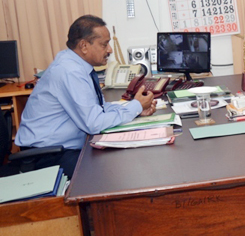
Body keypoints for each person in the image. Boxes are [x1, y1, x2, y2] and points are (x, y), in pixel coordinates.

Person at [15, 15, 156, 178]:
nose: (109, 50)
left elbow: (99, 109)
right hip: (46, 156)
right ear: (83, 46)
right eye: (104, 44)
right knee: (115, 173)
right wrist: (136, 106)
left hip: (62, 148)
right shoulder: (70, 71)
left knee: (123, 163)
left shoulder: (76, 64)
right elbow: (94, 123)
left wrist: (135, 108)